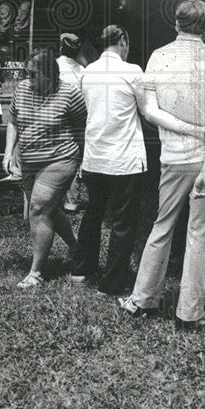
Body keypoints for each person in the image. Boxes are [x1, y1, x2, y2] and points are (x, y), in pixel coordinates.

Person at [119, 0, 205, 330]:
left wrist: (185, 129)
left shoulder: (158, 56)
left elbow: (150, 111)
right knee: (199, 234)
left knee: (161, 226)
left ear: (176, 23)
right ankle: (189, 312)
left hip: (174, 156)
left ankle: (142, 300)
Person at [71, 25, 149, 295]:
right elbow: (146, 110)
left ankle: (81, 269)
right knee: (123, 222)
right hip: (125, 158)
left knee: (93, 211)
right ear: (123, 40)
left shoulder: (87, 72)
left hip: (95, 156)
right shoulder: (133, 71)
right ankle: (112, 282)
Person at [3, 47, 87, 289]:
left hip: (60, 158)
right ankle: (76, 247)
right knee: (47, 209)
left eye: (32, 73)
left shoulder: (70, 94)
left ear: (50, 76)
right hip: (29, 161)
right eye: (26, 72)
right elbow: (12, 122)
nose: (27, 78)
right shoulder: (22, 90)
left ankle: (36, 273)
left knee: (38, 208)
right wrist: (9, 151)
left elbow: (81, 129)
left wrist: (83, 162)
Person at [56, 33, 88, 211]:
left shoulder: (54, 66)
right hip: (76, 117)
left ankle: (54, 196)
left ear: (61, 47)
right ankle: (71, 201)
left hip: (57, 115)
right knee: (73, 157)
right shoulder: (82, 71)